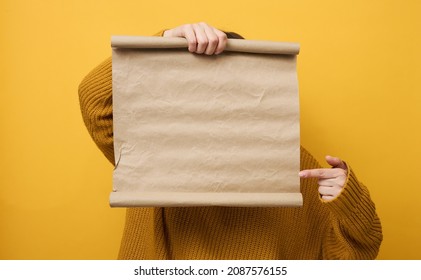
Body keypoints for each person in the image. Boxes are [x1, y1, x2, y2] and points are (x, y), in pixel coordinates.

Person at [78, 22, 382, 259]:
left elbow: (348, 258)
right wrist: (166, 41)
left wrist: (349, 200)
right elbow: (94, 101)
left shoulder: (290, 161)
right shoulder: (156, 143)